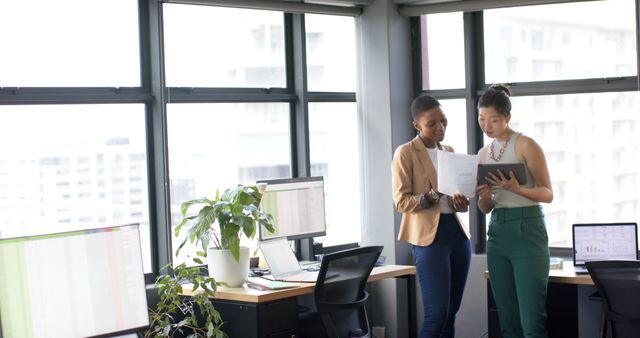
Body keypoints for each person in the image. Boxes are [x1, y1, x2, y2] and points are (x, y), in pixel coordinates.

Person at [475, 84, 553, 338]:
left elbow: (547, 193)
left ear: (507, 118)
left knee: (531, 320)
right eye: (482, 119)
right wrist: (485, 198)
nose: (486, 126)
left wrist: (517, 189)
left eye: (493, 120)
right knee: (507, 319)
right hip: (498, 232)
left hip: (527, 230)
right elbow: (484, 208)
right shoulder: (483, 154)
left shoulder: (526, 144)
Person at [391, 94, 472, 338]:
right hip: (429, 240)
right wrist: (431, 196)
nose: (440, 128)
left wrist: (460, 201)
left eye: (444, 121)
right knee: (436, 316)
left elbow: (455, 200)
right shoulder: (405, 153)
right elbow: (401, 201)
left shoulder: (449, 151)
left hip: (457, 236)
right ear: (417, 125)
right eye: (432, 124)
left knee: (450, 314)